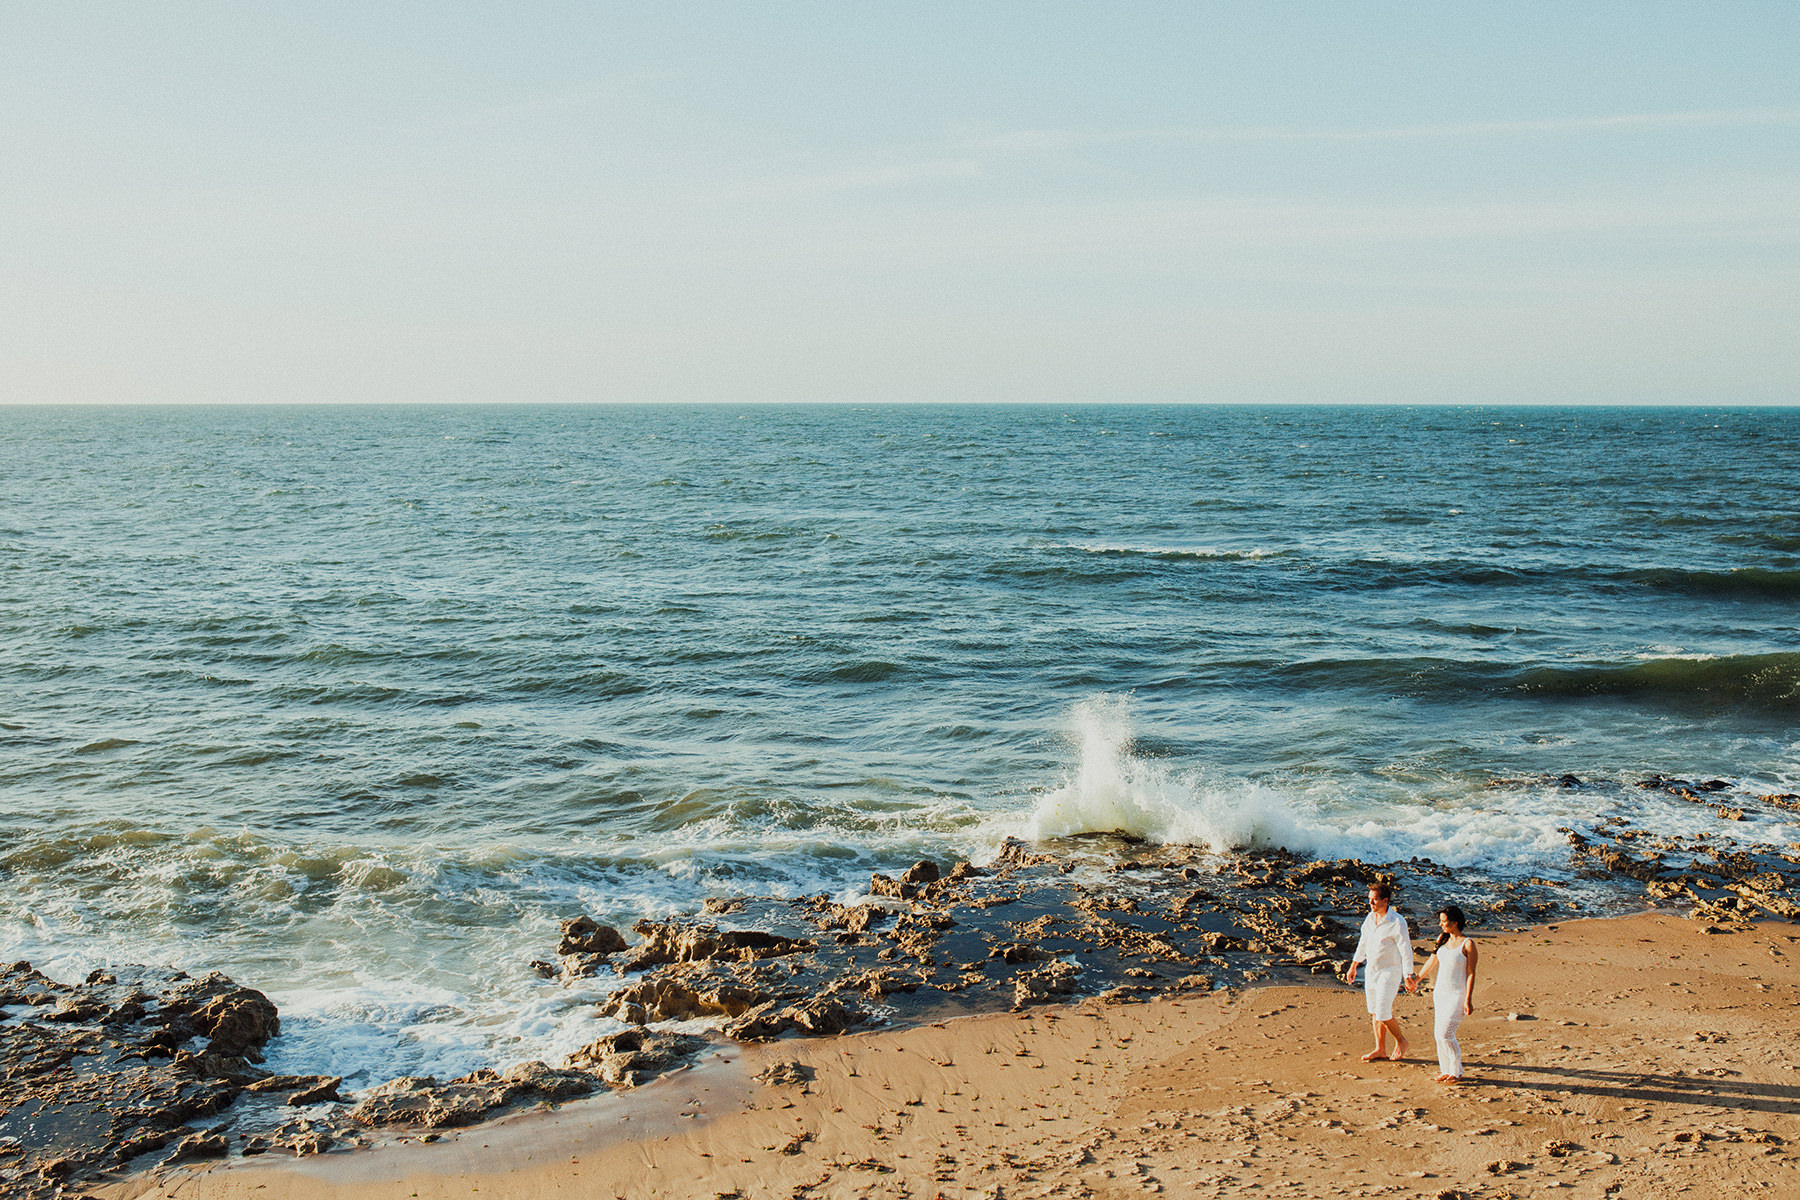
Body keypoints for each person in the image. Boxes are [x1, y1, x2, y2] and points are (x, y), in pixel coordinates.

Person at [1345, 882, 1416, 1062]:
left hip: (1390, 972)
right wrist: (1354, 965)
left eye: (1375, 900)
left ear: (1385, 900)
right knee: (1375, 1011)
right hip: (1372, 970)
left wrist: (1408, 975)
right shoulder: (1370, 918)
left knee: (1383, 1011)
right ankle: (1380, 1049)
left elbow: (1405, 950)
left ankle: (1401, 1041)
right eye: (1369, 899)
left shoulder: (1397, 922)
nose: (1371, 903)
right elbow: (1363, 943)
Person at [1409, 904, 1478, 1084]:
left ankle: (1456, 1071)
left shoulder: (1468, 944)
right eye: (1440, 921)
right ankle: (1446, 1070)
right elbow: (1431, 962)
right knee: (1438, 1034)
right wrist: (1416, 979)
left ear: (1455, 922)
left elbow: (1471, 973)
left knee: (1445, 1034)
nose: (1441, 925)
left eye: (1444, 922)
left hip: (1457, 994)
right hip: (1440, 993)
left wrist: (1468, 1000)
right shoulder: (1442, 939)